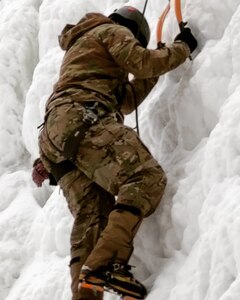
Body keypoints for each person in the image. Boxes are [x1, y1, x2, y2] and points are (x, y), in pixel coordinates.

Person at [32, 5, 197, 300]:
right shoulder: (110, 29)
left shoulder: (83, 48)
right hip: (83, 117)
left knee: (93, 216)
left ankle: (85, 294)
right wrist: (181, 48)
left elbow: (125, 101)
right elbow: (141, 61)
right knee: (145, 177)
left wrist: (157, 64)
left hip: (55, 135)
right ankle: (106, 264)